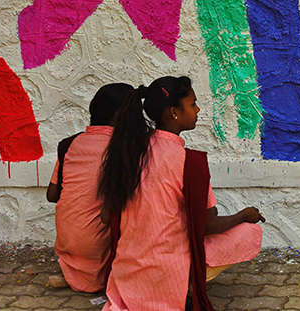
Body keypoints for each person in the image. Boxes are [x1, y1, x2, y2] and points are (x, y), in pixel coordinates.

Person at [98, 76, 264, 311]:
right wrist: (243, 215)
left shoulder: (129, 151)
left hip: (127, 268)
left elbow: (107, 216)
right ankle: (185, 282)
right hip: (167, 269)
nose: (198, 109)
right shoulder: (189, 162)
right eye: (193, 104)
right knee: (249, 230)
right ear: (173, 112)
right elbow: (207, 226)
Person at [46, 82, 133, 293]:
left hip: (67, 243)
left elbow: (52, 194)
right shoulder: (123, 147)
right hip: (97, 245)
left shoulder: (68, 144)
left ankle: (72, 274)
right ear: (119, 116)